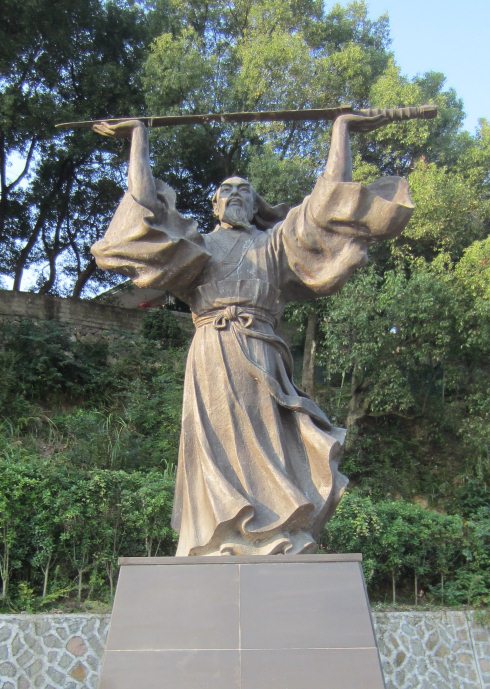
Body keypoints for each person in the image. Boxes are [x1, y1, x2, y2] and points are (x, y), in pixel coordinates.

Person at [91, 113, 413, 556]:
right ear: (214, 204)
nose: (236, 194)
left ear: (255, 201)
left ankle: (277, 532)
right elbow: (145, 210)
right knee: (214, 445)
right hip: (212, 352)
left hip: (263, 351)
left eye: (244, 189)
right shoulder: (196, 248)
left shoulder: (275, 244)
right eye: (226, 190)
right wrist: (138, 137)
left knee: (271, 444)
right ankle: (216, 536)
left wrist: (341, 128)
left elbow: (324, 207)